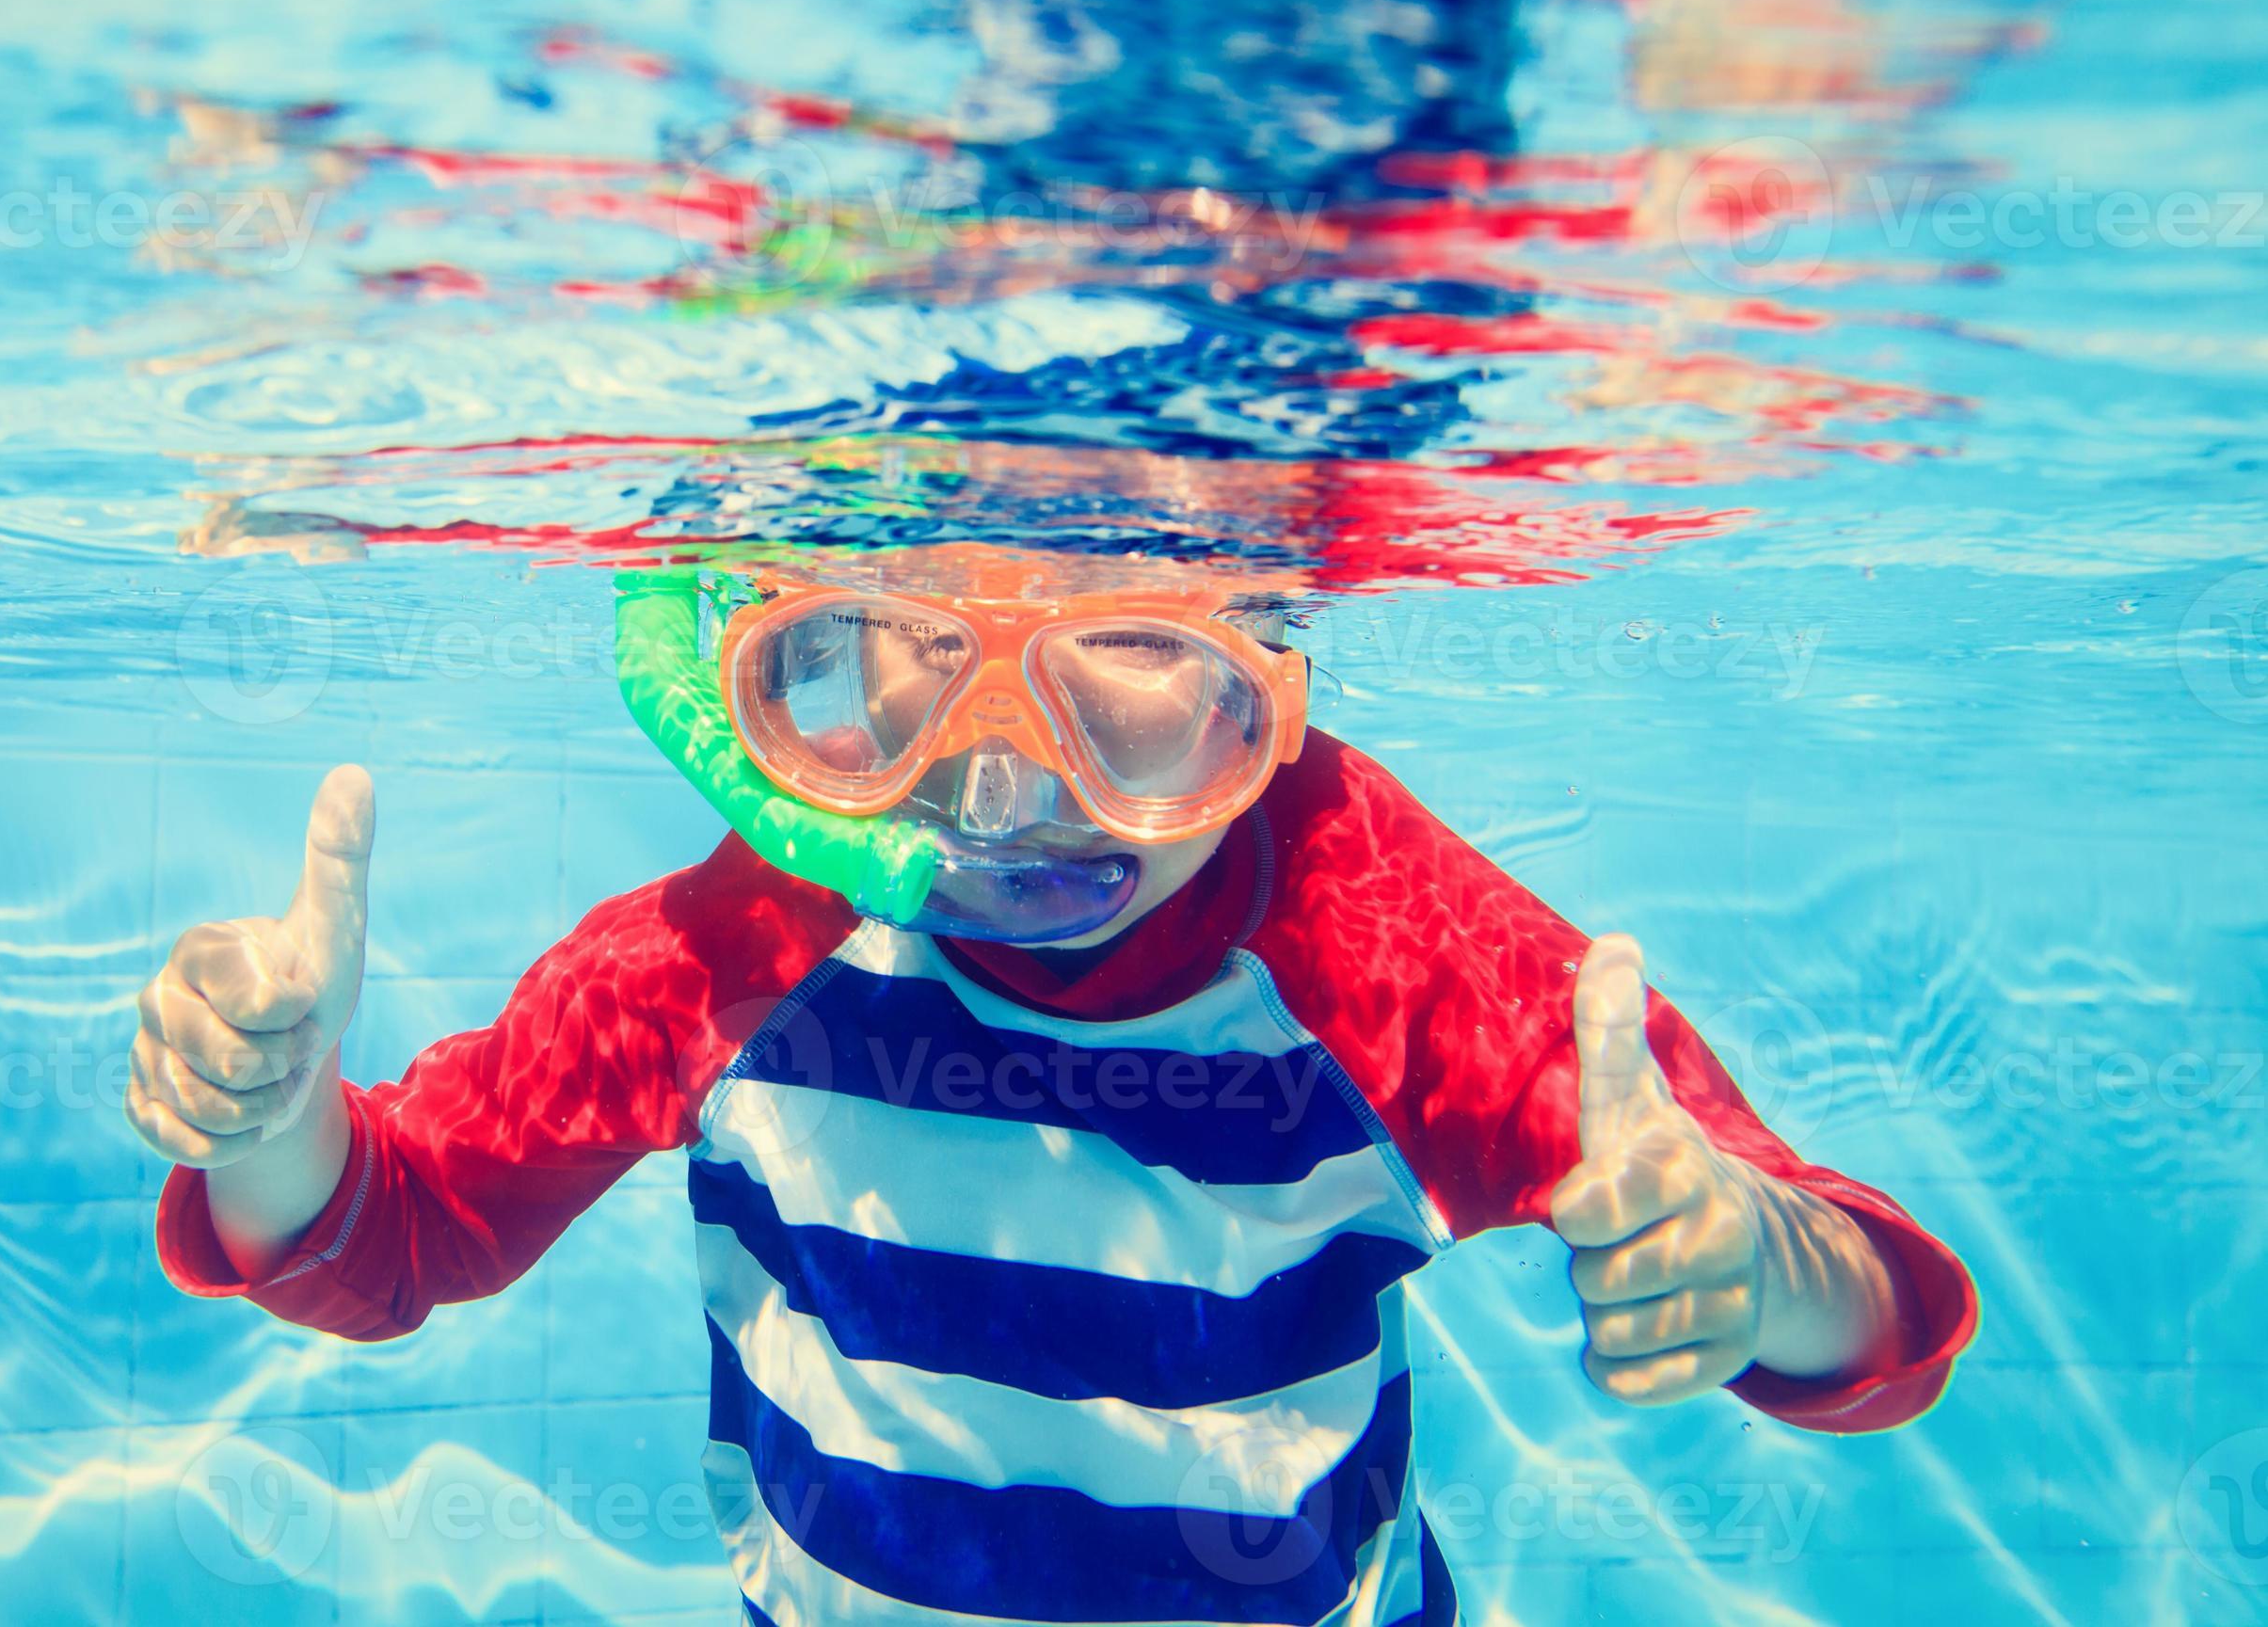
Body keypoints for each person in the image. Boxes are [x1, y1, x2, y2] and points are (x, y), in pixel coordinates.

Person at [127, 569, 1977, 1626]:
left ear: (1275, 668)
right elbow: (399, 1226)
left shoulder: (1377, 937)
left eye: (1137, 651)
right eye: (918, 631)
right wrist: (271, 1120)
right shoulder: (752, 936)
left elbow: (1870, 1300)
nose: (1008, 776)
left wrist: (1751, 1263)